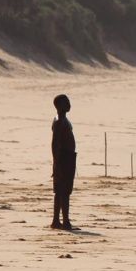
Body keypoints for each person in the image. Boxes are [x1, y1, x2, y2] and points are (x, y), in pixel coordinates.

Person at [51, 94, 76, 229]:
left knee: (62, 191)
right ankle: (64, 221)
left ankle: (57, 220)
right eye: (66, 102)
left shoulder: (64, 120)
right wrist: (57, 163)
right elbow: (54, 143)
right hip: (63, 158)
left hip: (68, 157)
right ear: (59, 106)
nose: (69, 104)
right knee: (63, 191)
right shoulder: (59, 121)